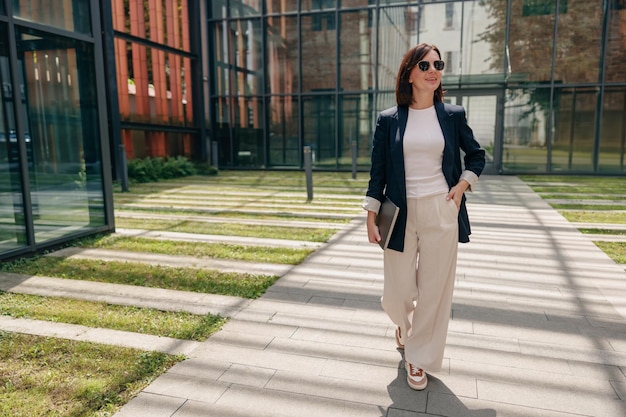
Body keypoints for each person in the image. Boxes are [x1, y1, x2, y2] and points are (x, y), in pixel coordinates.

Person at [362, 43, 485, 391]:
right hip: (398, 212)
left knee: (434, 291)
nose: (434, 69)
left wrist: (461, 187)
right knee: (397, 292)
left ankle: (417, 357)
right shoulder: (389, 120)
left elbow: (476, 156)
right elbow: (378, 171)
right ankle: (403, 326)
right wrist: (370, 215)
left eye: (438, 64)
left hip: (440, 209)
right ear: (410, 73)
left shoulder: (453, 115)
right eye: (425, 64)